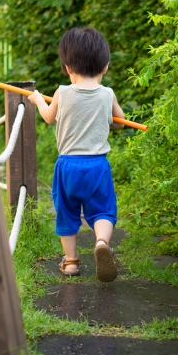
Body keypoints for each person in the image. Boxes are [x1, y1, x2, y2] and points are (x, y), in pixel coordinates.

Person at [28, 27, 125, 282]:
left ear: (68, 67)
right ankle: (101, 242)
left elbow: (48, 117)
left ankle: (71, 262)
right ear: (105, 66)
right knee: (102, 209)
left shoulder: (62, 92)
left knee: (67, 211)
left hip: (68, 165)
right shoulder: (107, 94)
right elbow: (119, 123)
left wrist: (38, 100)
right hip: (97, 166)